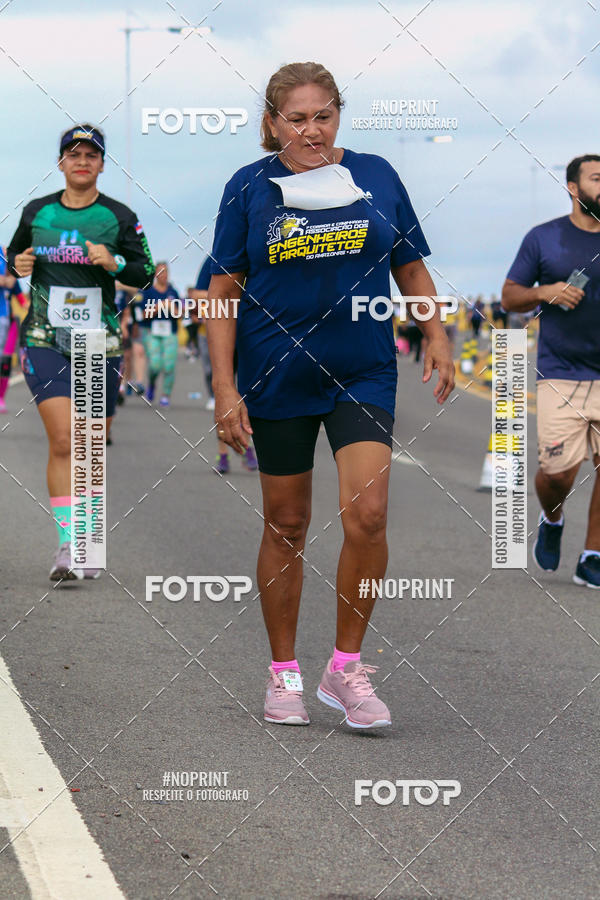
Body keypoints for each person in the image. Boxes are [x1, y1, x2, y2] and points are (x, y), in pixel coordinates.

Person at [206, 62, 454, 728]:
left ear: (339, 115)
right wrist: (225, 387)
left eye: (324, 116)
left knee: (368, 516)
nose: (312, 130)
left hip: (363, 369)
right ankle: (283, 674)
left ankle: (346, 669)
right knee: (286, 524)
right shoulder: (250, 188)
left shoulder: (376, 176)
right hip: (276, 373)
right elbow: (221, 293)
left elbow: (409, 264)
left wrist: (436, 333)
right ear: (271, 123)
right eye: (297, 118)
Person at [7, 124, 155, 580]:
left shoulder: (119, 216)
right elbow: (13, 257)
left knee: (89, 444)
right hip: (44, 339)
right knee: (62, 439)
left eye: (91, 155)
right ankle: (69, 544)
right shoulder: (37, 212)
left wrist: (115, 264)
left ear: (101, 164)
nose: (82, 161)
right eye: (74, 154)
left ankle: (89, 538)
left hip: (97, 341)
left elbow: (146, 270)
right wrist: (20, 264)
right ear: (61, 163)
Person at [502, 154, 600, 588]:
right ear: (574, 188)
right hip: (561, 373)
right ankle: (552, 515)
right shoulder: (545, 239)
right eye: (598, 179)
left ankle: (592, 555)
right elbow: (509, 297)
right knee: (558, 474)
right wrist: (546, 291)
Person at [191, 255, 258, 473]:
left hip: (254, 339)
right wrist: (231, 295)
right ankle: (223, 455)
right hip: (224, 337)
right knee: (225, 395)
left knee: (250, 398)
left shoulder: (260, 253)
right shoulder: (217, 258)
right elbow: (198, 294)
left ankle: (249, 450)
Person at [138, 262, 180, 407]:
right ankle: (151, 383)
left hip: (170, 333)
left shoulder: (173, 292)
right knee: (155, 365)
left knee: (169, 366)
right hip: (152, 332)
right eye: (160, 272)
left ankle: (165, 395)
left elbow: (178, 313)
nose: (164, 275)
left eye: (166, 272)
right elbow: (142, 315)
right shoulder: (147, 292)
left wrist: (171, 306)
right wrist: (160, 306)